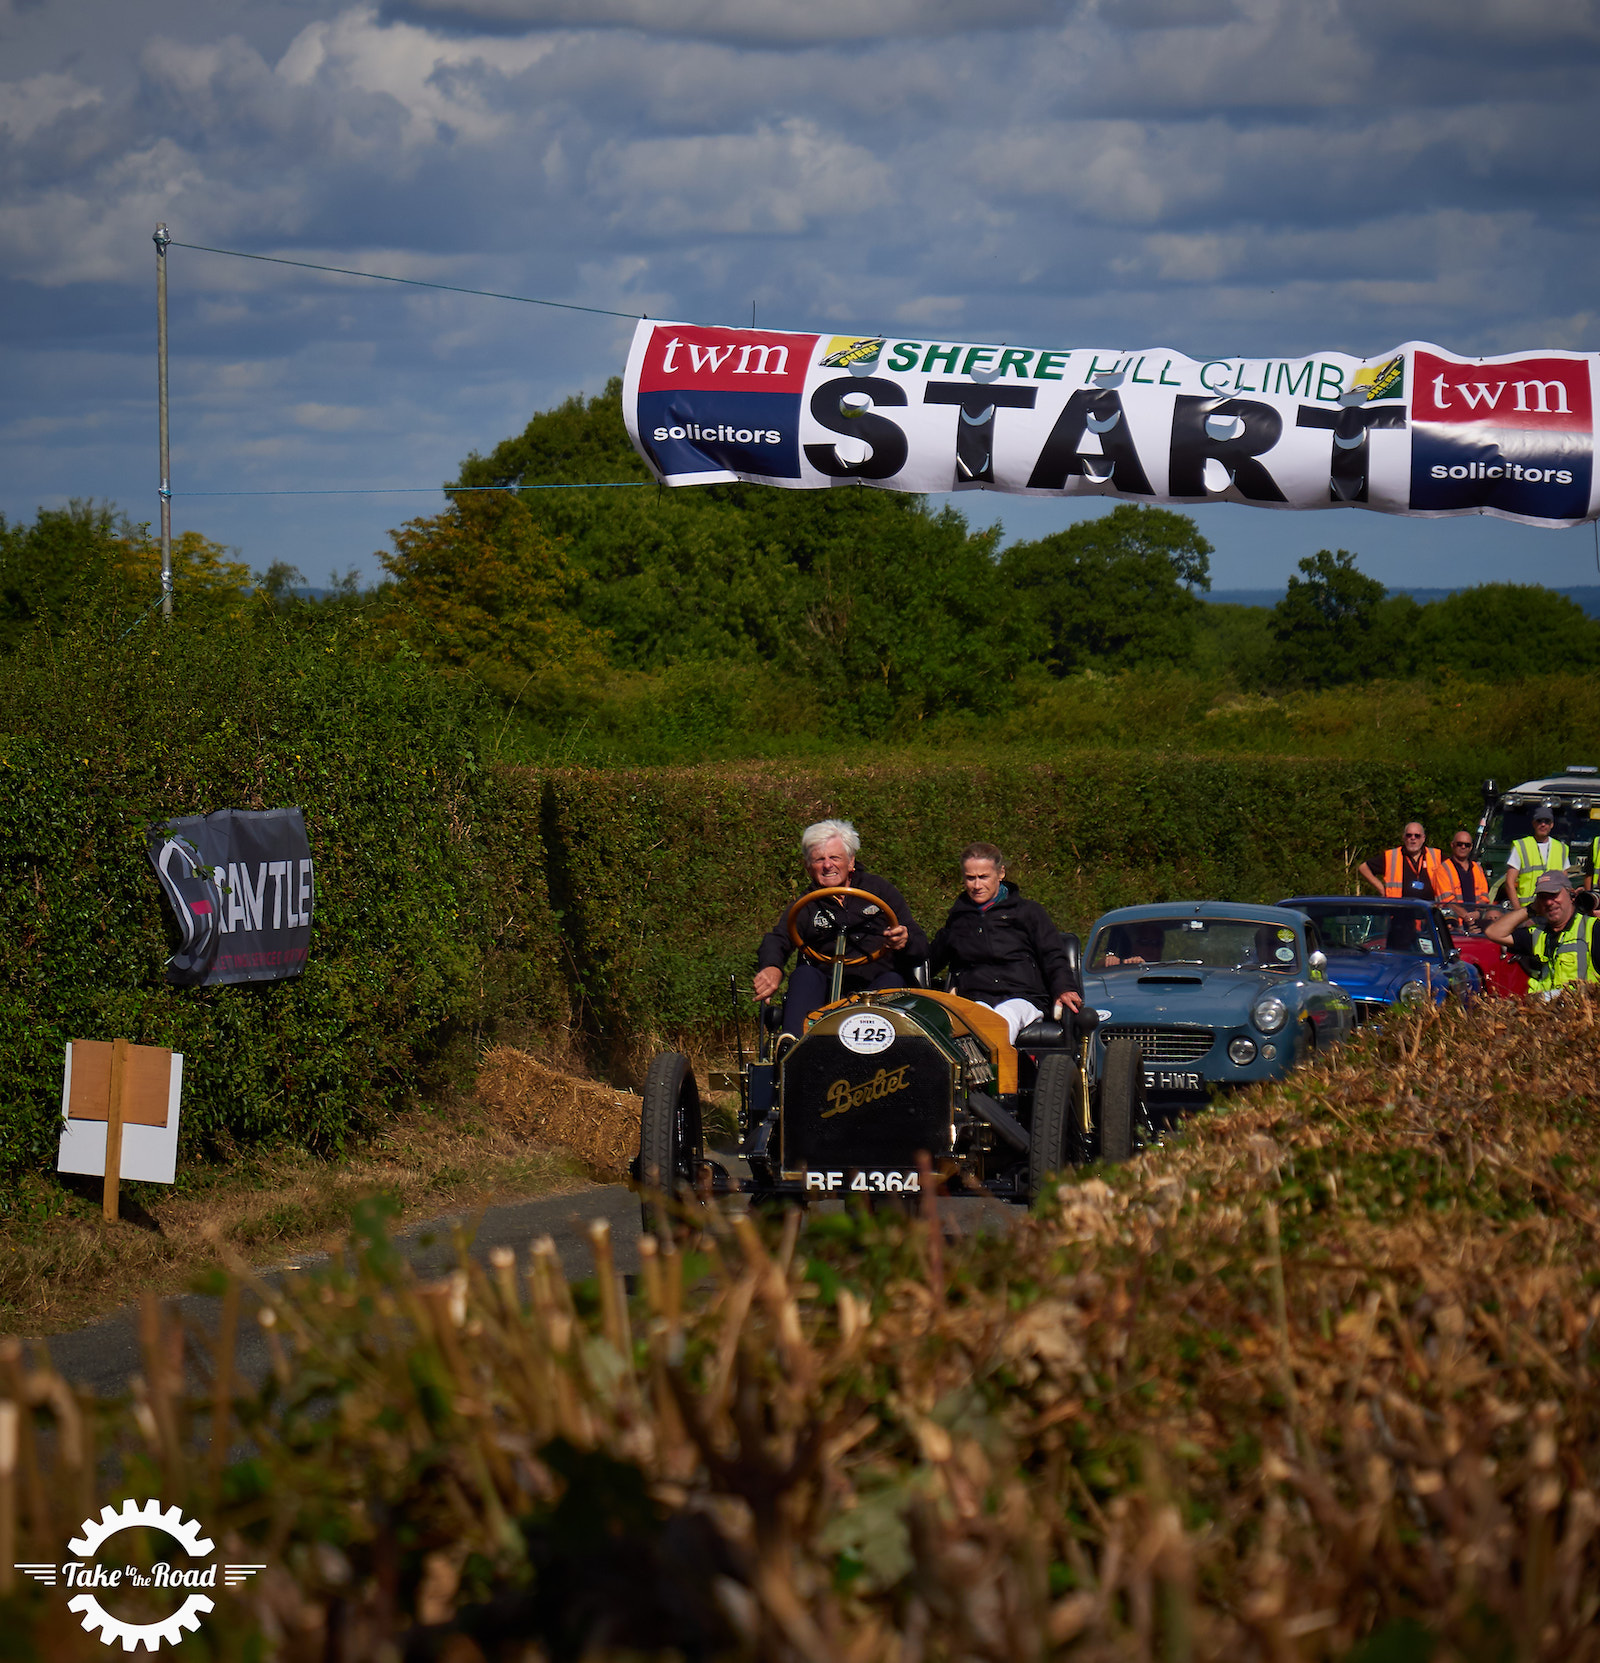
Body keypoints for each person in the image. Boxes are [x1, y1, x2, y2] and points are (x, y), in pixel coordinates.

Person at [752, 819, 928, 1037]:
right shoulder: (807, 903)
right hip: (825, 987)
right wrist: (772, 966)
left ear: (851, 861)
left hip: (875, 983)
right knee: (804, 975)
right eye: (819, 859)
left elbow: (920, 944)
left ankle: (887, 1051)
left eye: (835, 858)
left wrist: (904, 940)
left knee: (892, 982)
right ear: (808, 867)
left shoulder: (879, 891)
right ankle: (792, 1048)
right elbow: (778, 938)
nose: (828, 865)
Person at [928, 843, 1083, 1042]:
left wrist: (1064, 988)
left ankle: (1000, 1072)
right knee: (974, 1019)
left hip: (1023, 998)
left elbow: (1052, 955)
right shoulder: (958, 919)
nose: (976, 886)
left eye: (983, 877)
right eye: (970, 878)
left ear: (1000, 873)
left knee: (1002, 1019)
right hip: (976, 998)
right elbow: (930, 959)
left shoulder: (1028, 912)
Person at [1485, 871, 1596, 994]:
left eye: (1554, 895)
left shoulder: (1592, 929)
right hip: (1544, 1009)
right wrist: (1531, 909)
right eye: (1543, 897)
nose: (1549, 902)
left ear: (1571, 895)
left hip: (1582, 1010)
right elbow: (1493, 933)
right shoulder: (1538, 934)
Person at [1358, 822, 1446, 901]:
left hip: (1429, 912)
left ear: (1423, 838)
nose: (1413, 838)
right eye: (1409, 835)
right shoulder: (1392, 856)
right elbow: (1363, 868)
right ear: (1403, 838)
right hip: (1399, 911)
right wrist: (1381, 888)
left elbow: (1453, 869)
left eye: (1417, 835)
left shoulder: (1435, 855)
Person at [1504, 803, 1570, 906]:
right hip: (1528, 909)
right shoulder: (1521, 846)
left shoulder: (1561, 848)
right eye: (1539, 821)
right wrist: (1518, 911)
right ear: (1534, 824)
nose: (1543, 824)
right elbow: (1509, 883)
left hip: (1553, 907)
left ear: (1552, 825)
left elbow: (1565, 883)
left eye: (1547, 821)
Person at [1436, 829, 1492, 927]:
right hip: (1454, 925)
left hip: (1476, 923)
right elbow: (1447, 900)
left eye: (1467, 845)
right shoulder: (1443, 869)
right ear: (1452, 845)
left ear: (1471, 848)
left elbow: (1484, 897)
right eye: (1459, 844)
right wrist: (1467, 917)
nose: (1463, 847)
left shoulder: (1477, 868)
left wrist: (1477, 914)